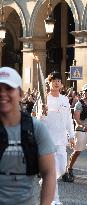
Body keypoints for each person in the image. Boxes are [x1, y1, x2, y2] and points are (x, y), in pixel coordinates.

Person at [0, 66, 56, 205]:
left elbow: (49, 173)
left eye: (8, 88)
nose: (2, 94)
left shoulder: (36, 128)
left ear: (20, 93)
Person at [41, 72, 75, 205]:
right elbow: (38, 121)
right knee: (52, 172)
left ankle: (46, 180)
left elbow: (68, 120)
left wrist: (71, 136)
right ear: (49, 83)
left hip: (61, 140)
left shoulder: (64, 99)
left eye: (59, 81)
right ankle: (55, 200)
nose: (56, 83)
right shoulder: (44, 99)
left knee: (61, 169)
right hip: (47, 140)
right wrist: (42, 113)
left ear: (61, 84)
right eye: (54, 80)